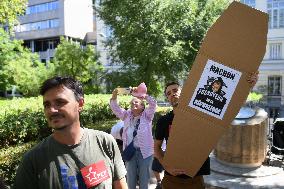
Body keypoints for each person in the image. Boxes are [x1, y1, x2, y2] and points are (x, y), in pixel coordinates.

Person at [14, 76, 127, 189]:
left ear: (80, 104)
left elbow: (120, 186)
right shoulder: (33, 160)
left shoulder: (105, 142)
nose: (51, 110)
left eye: (60, 102)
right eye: (47, 105)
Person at [154, 72, 259, 189]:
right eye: (168, 93)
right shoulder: (163, 121)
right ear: (167, 98)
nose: (172, 94)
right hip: (171, 180)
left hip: (196, 178)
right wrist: (167, 167)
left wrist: (247, 87)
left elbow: (231, 107)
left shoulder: (200, 114)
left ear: (183, 91)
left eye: (175, 90)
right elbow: (157, 148)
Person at [110, 85, 157, 189]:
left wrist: (142, 95)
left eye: (136, 102)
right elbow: (115, 108)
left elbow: (153, 104)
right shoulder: (126, 115)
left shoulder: (147, 116)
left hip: (144, 153)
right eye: (132, 103)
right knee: (130, 179)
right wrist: (114, 96)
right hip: (130, 151)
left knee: (144, 179)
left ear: (143, 106)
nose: (133, 103)